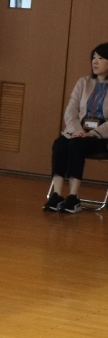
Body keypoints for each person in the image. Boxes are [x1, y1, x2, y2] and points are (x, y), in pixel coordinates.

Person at [45, 43, 108, 213]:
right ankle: (57, 194)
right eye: (93, 58)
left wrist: (93, 133)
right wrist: (76, 130)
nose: (95, 62)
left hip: (101, 137)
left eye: (101, 58)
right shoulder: (83, 82)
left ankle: (73, 197)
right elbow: (71, 110)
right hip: (78, 132)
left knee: (76, 145)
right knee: (60, 143)